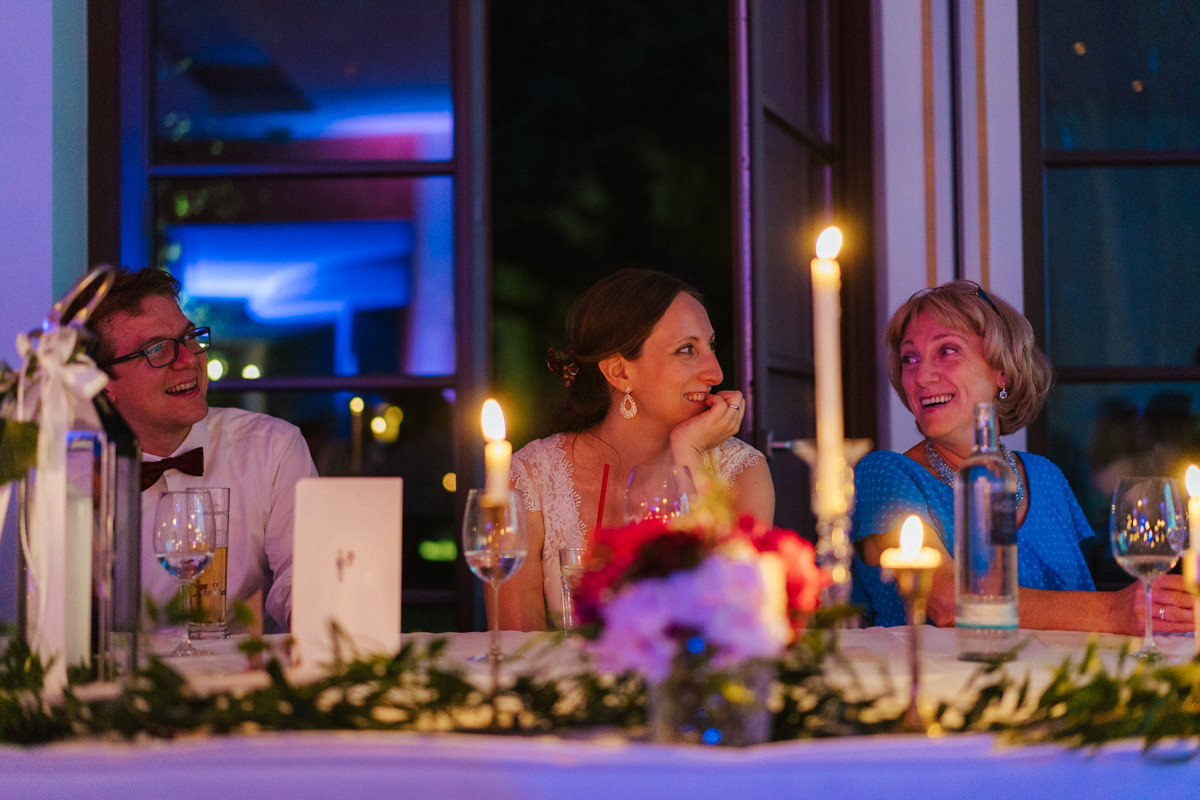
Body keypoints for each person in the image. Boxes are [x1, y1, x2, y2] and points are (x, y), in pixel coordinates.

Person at [851, 280, 1193, 634]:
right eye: (910, 358)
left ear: (1002, 370)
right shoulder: (885, 475)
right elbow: (948, 602)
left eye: (947, 351)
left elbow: (1078, 609)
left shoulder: (1046, 477)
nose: (921, 376)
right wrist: (1115, 610)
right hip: (941, 685)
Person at [498, 269, 775, 630]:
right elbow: (516, 648)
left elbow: (737, 627)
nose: (716, 372)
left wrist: (688, 452)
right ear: (620, 373)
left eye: (711, 346)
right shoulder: (532, 477)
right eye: (687, 350)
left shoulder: (742, 472)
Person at [71, 267, 317, 633]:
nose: (188, 360)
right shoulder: (69, 470)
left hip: (237, 677)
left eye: (189, 338)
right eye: (157, 350)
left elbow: (304, 573)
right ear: (103, 384)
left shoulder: (272, 448)